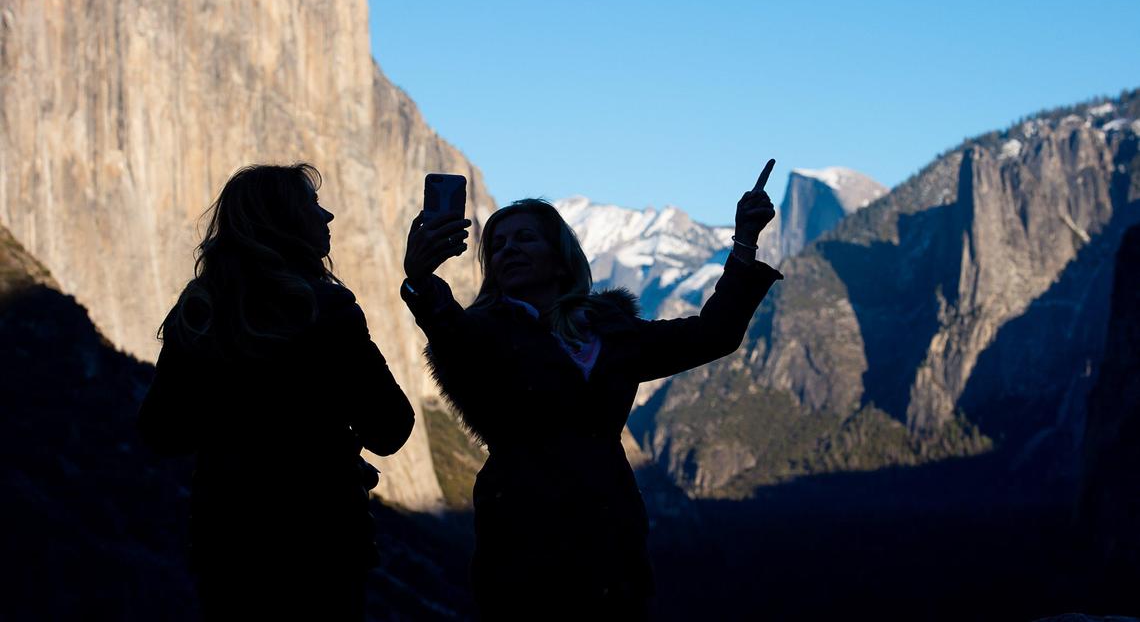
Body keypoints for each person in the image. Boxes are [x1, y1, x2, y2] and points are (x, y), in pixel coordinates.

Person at [400, 160, 783, 619]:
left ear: (560, 257)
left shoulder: (608, 331)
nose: (508, 250)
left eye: (525, 238)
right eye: (497, 244)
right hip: (522, 546)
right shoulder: (484, 333)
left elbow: (712, 335)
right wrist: (422, 281)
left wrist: (743, 244)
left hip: (610, 544)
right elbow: (448, 330)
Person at [138, 163, 414, 621]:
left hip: (225, 545)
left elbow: (160, 431)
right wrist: (327, 448)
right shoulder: (327, 309)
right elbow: (390, 428)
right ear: (284, 223)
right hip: (322, 542)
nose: (327, 217)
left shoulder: (199, 310)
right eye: (312, 207)